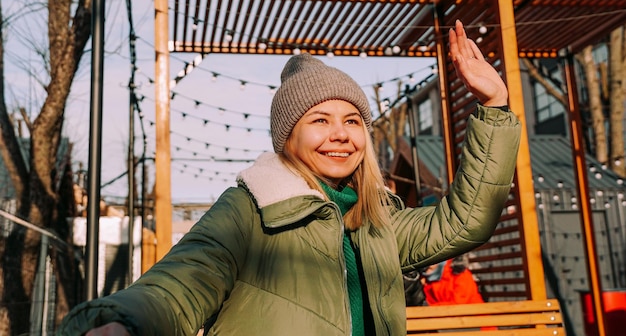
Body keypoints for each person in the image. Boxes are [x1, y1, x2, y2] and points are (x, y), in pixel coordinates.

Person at [57, 20, 521, 336]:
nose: (340, 134)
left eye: (353, 121)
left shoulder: (379, 221)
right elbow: (182, 283)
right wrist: (122, 321)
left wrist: (496, 105)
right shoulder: (249, 209)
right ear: (288, 137)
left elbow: (466, 220)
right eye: (319, 120)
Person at [421, 254, 486, 306]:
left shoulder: (459, 273)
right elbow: (429, 302)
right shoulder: (429, 280)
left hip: (475, 316)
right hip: (450, 318)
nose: (427, 267)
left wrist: (431, 308)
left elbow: (460, 302)